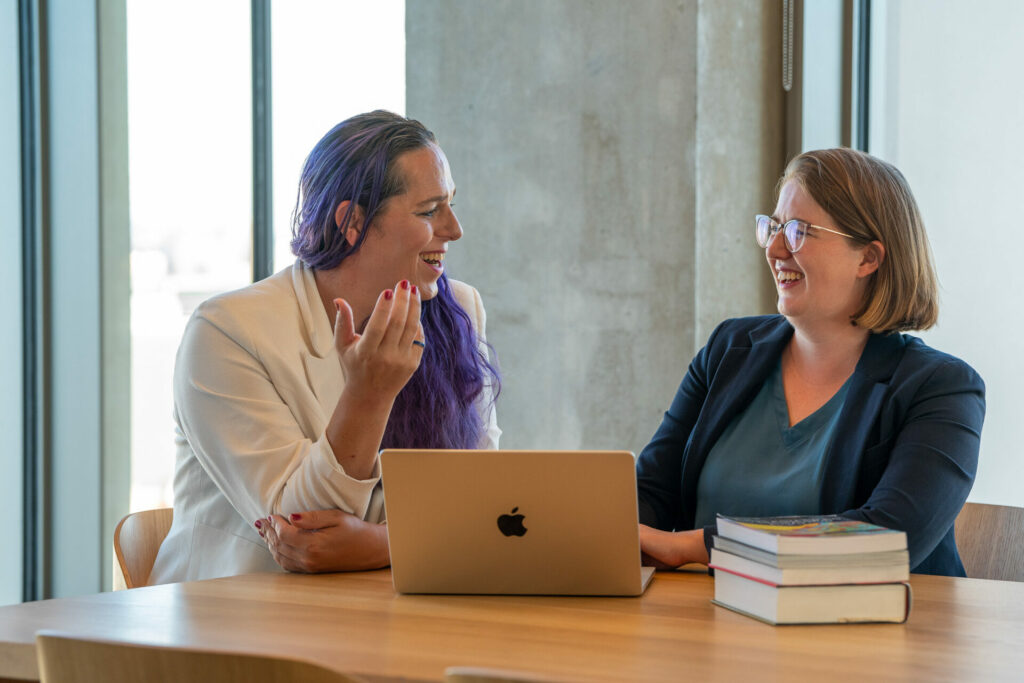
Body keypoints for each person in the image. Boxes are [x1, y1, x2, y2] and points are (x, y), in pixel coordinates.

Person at [149, 111, 500, 584]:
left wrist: (380, 544)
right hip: (239, 616)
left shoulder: (459, 310)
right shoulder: (226, 332)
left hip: (390, 607)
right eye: (428, 211)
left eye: (450, 205)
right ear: (351, 221)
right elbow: (304, 537)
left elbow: (484, 502)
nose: (453, 229)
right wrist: (369, 395)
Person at [636, 147, 984, 577]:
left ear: (868, 258)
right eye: (773, 227)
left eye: (798, 230)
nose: (775, 248)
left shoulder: (943, 387)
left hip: (871, 620)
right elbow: (651, 493)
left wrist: (693, 545)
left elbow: (888, 539)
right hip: (706, 613)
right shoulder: (728, 349)